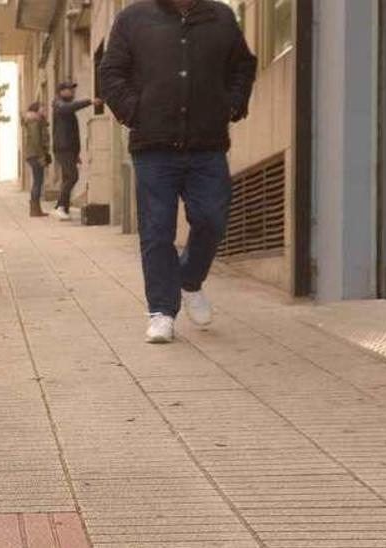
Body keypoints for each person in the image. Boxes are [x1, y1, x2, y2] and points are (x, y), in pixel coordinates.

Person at [98, 0, 256, 344]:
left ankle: (190, 279)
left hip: (207, 144)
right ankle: (161, 312)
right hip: (154, 147)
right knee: (157, 230)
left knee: (212, 218)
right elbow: (110, 72)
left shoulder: (220, 16)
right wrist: (133, 111)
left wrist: (232, 103)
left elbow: (243, 65)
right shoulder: (133, 18)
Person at [51, 82, 101, 220]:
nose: (73, 92)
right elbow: (68, 108)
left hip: (68, 148)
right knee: (73, 176)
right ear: (61, 91)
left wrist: (76, 153)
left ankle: (63, 209)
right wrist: (89, 101)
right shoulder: (58, 103)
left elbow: (72, 131)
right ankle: (60, 207)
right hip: (63, 148)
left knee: (68, 177)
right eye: (70, 90)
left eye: (73, 90)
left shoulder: (63, 105)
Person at [22, 102, 51, 217]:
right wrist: (41, 156)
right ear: (36, 110)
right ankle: (35, 209)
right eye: (42, 108)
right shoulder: (35, 121)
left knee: (38, 181)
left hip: (34, 154)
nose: (45, 110)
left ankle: (36, 209)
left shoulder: (37, 121)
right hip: (35, 155)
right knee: (38, 181)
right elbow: (36, 140)